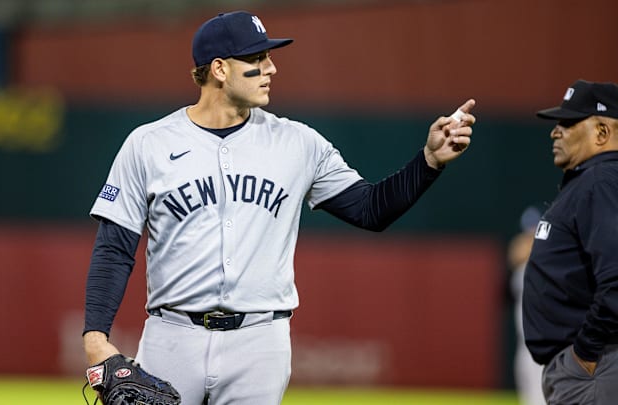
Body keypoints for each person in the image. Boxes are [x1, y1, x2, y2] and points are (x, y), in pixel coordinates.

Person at [82, 10, 476, 405]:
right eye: (256, 59)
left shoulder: (297, 144)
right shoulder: (148, 144)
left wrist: (428, 162)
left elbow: (370, 209)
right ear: (219, 69)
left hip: (259, 341)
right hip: (172, 334)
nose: (270, 67)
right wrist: (96, 339)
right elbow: (115, 248)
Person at [522, 79, 618, 404]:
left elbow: (617, 277)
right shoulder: (594, 182)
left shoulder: (600, 182)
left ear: (603, 132)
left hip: (598, 365)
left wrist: (585, 354)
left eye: (568, 122)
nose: (555, 131)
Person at [507, 206, 545, 405]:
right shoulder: (520, 267)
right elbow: (515, 255)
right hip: (525, 345)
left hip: (543, 342)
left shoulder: (545, 263)